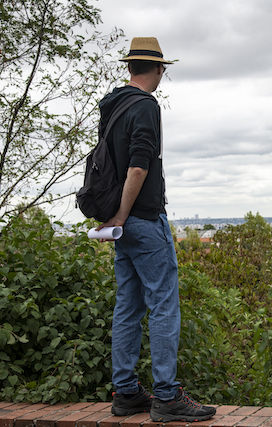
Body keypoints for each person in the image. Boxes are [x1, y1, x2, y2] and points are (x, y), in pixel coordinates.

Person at [94, 37, 216, 423]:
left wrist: (115, 218)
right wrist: (124, 215)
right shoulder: (146, 106)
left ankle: (126, 392)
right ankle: (166, 396)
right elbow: (137, 167)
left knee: (128, 304)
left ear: (131, 67)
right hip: (141, 219)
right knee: (164, 303)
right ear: (159, 69)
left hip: (121, 225)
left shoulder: (112, 106)